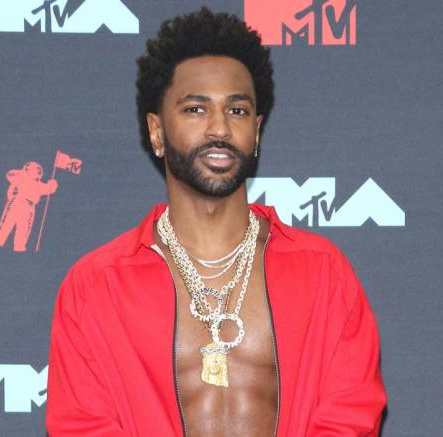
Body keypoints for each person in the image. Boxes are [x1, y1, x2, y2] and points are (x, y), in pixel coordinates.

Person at [46, 7, 386, 436]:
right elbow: (84, 426)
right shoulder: (96, 287)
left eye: (237, 110)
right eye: (195, 109)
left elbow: (350, 417)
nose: (220, 129)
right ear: (157, 131)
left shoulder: (322, 272)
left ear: (256, 131)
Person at [0, 162, 58, 252]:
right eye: (36, 170)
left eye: (39, 171)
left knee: (24, 228)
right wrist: (21, 173)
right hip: (16, 201)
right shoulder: (21, 177)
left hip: (29, 207)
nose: (38, 173)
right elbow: (10, 175)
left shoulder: (39, 185)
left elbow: (48, 189)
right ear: (28, 169)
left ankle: (19, 247)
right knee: (7, 222)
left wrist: (52, 185)